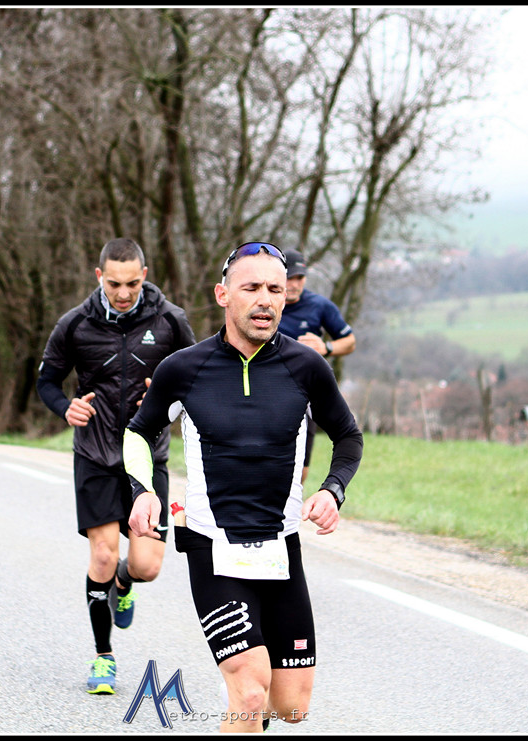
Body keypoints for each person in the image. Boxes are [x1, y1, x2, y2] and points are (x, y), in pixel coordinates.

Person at [123, 241, 364, 733]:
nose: (265, 299)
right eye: (251, 287)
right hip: (212, 546)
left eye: (275, 289)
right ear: (223, 295)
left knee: (290, 708)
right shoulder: (184, 369)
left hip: (280, 547)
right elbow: (138, 433)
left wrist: (332, 489)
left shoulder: (306, 367)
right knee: (251, 692)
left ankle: (244, 702)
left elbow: (348, 436)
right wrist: (143, 490)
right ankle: (241, 694)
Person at [36, 237, 196, 695]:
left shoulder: (171, 321)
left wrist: (167, 402)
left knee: (147, 566)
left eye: (131, 284)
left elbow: (197, 379)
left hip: (146, 456)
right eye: (113, 284)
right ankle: (103, 657)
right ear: (99, 277)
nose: (122, 293)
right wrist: (65, 407)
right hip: (95, 452)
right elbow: (47, 381)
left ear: (144, 275)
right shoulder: (75, 324)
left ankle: (124, 583)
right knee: (103, 554)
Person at [277, 248, 357, 484]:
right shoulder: (266, 303)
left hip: (305, 391)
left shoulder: (320, 306)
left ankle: (292, 500)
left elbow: (350, 341)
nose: (294, 284)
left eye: (299, 278)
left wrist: (326, 347)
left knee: (301, 463)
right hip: (268, 386)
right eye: (289, 278)